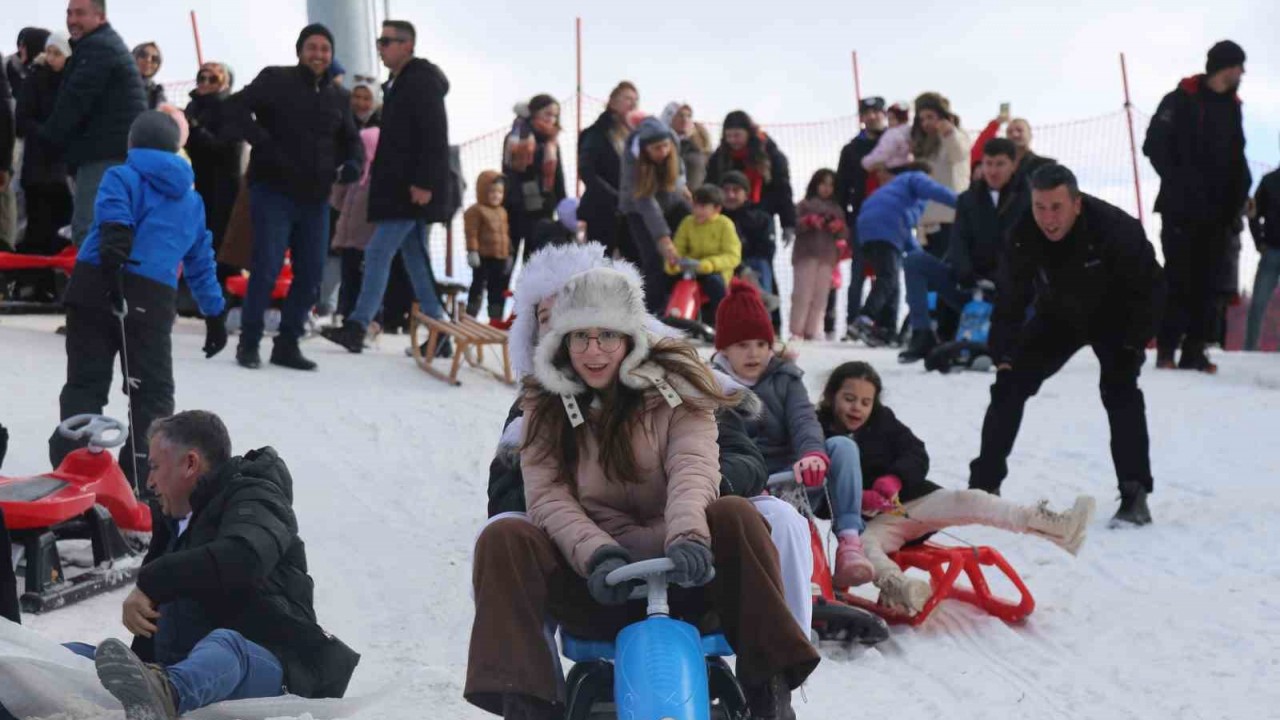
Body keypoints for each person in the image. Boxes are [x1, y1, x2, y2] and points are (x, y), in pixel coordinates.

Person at [465, 266, 820, 720]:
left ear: (632, 337)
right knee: (504, 537)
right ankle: (530, 706)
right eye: (580, 337)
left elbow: (694, 466)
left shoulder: (680, 389)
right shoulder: (544, 404)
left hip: (692, 576)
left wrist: (690, 536)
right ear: (562, 342)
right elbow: (547, 495)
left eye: (608, 335)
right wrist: (596, 555)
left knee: (737, 513)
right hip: (595, 583)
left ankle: (770, 699)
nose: (593, 351)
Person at [76, 410, 360, 718]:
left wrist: (152, 581)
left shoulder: (257, 495)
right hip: (186, 672)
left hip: (274, 668)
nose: (149, 481)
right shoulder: (175, 520)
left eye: (155, 467)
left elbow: (243, 559)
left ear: (190, 464)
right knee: (67, 657)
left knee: (226, 646)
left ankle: (166, 695)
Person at [968, 164, 1163, 527]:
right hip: (1059, 316)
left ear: (1077, 204)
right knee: (1009, 386)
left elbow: (1149, 288)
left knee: (1119, 390)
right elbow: (1011, 298)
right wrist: (1004, 352)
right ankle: (983, 489)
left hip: (1116, 318)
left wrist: (1135, 341)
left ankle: (1135, 494)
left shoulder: (1115, 228)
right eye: (1040, 207)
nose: (1048, 218)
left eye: (1056, 207)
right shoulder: (1023, 231)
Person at [818, 361, 1096, 613]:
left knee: (970, 499)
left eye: (866, 402)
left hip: (914, 501)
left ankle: (1051, 524)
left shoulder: (883, 421)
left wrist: (896, 478)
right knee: (866, 546)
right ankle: (898, 585)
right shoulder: (818, 432)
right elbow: (818, 491)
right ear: (832, 397)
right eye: (849, 399)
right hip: (871, 523)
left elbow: (916, 452)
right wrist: (856, 499)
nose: (857, 408)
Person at [47, 111, 226, 492]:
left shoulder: (121, 176)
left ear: (133, 144)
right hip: (152, 297)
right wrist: (214, 313)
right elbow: (200, 261)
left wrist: (113, 269)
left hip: (96, 283)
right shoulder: (192, 201)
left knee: (85, 382)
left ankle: (72, 468)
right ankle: (145, 481)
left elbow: (114, 222)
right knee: (151, 391)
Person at [713, 280, 874, 588]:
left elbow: (804, 420)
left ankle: (849, 544)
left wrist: (811, 455)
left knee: (842, 446)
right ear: (724, 349)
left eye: (761, 344)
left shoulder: (785, 379)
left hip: (793, 479)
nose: (754, 353)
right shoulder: (715, 388)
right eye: (743, 345)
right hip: (746, 490)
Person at [224, 23, 362, 370]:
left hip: (316, 198)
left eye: (325, 49)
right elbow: (237, 108)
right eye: (312, 47)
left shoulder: (338, 98)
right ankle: (249, 343)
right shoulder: (275, 79)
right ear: (300, 51)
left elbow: (352, 141)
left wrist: (354, 164)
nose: (318, 54)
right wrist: (264, 144)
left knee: (311, 274)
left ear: (332, 55)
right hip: (272, 191)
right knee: (267, 268)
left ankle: (287, 344)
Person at [319, 20, 450, 358]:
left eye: (388, 41)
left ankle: (358, 326)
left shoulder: (420, 81)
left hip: (410, 191)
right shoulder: (400, 82)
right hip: (399, 190)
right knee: (414, 261)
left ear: (408, 45)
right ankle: (441, 333)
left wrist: (424, 182)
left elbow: (434, 134)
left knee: (378, 253)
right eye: (379, 40)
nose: (380, 46)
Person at [1143, 40, 1250, 373]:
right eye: (1239, 66)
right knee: (1179, 278)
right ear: (1225, 67)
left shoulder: (1232, 107)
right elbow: (1154, 145)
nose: (1242, 73)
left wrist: (1240, 196)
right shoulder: (1179, 100)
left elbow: (1237, 156)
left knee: (1209, 284)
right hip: (1181, 210)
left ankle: (1195, 351)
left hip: (1219, 215)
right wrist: (1180, 184)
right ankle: (1165, 351)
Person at [899, 138, 1027, 362]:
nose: (993, 171)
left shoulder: (1029, 199)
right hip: (969, 286)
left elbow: (1028, 249)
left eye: (1000, 164)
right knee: (915, 261)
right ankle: (922, 334)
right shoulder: (968, 200)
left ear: (1014, 165)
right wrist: (965, 274)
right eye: (988, 164)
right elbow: (958, 242)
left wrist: (1004, 279)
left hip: (1012, 292)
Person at [39, 0, 146, 248]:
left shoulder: (98, 47)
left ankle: (96, 287)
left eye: (80, 13)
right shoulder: (99, 45)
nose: (72, 20)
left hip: (104, 155)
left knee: (89, 231)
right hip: (113, 152)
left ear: (100, 17)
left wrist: (47, 140)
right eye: (69, 13)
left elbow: (75, 100)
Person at [705, 110, 795, 330]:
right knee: (731, 267)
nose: (734, 141)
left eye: (738, 135)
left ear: (748, 133)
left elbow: (783, 189)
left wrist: (788, 222)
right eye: (729, 136)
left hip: (759, 220)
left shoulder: (769, 154)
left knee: (761, 266)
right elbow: (710, 186)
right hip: (725, 219)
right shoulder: (720, 157)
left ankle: (769, 324)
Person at [849, 163, 958, 346]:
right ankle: (865, 318)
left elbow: (905, 232)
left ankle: (886, 329)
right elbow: (933, 190)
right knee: (888, 277)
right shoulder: (914, 178)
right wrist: (962, 201)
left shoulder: (896, 193)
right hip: (885, 230)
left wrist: (922, 260)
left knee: (891, 281)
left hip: (868, 232)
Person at [618, 115, 690, 314]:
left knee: (682, 247)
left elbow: (680, 171)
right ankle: (653, 310)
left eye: (665, 146)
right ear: (644, 149)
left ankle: (678, 305)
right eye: (656, 148)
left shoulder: (672, 141)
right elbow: (645, 201)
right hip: (637, 208)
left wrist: (682, 187)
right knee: (653, 257)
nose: (663, 152)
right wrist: (663, 238)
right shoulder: (632, 158)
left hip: (669, 201)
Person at [14, 32, 72, 267]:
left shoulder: (73, 82)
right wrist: (47, 132)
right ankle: (33, 283)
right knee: (37, 225)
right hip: (38, 168)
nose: (51, 57)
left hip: (63, 169)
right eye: (49, 52)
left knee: (61, 227)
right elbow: (22, 119)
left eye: (57, 53)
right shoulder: (35, 78)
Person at [183, 61, 241, 283]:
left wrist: (196, 129)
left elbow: (224, 148)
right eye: (201, 78)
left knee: (221, 237)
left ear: (225, 83)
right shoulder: (193, 107)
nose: (205, 83)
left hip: (224, 183)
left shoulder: (233, 108)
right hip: (199, 179)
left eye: (213, 79)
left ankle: (225, 287)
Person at [836, 97, 890, 336]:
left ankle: (885, 325)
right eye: (867, 112)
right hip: (860, 216)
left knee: (888, 272)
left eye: (876, 112)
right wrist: (846, 219)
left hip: (891, 216)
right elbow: (841, 187)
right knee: (858, 271)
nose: (872, 116)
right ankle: (852, 323)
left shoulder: (895, 142)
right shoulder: (851, 149)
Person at [327, 126, 380, 327]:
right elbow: (336, 200)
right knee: (348, 279)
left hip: (365, 240)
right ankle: (346, 314)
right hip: (348, 238)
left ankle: (367, 319)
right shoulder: (355, 174)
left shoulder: (376, 180)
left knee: (361, 280)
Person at [578, 81, 637, 259]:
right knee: (600, 267)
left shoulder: (637, 136)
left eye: (636, 100)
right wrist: (615, 197)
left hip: (631, 213)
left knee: (635, 266)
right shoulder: (595, 134)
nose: (633, 104)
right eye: (627, 98)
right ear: (612, 103)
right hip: (602, 211)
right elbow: (587, 172)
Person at [504, 94, 566, 262]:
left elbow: (558, 176)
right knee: (509, 256)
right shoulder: (516, 137)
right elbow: (510, 173)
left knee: (535, 260)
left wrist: (563, 204)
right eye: (547, 114)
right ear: (535, 113)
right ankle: (501, 289)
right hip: (518, 208)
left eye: (555, 115)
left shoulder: (552, 142)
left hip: (544, 209)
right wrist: (518, 201)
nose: (552, 119)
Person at [910, 92, 971, 259]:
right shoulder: (922, 147)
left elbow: (958, 154)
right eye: (922, 119)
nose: (926, 123)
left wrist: (949, 133)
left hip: (950, 221)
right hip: (926, 224)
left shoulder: (956, 136)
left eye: (930, 117)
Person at [666, 184, 739, 322]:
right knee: (661, 279)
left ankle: (723, 320)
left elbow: (733, 255)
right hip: (689, 269)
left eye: (703, 207)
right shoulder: (687, 223)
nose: (697, 211)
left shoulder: (725, 224)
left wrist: (709, 264)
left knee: (714, 284)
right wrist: (673, 263)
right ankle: (664, 314)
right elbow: (678, 248)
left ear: (717, 208)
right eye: (695, 206)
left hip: (715, 271)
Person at [790, 168, 848, 340]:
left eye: (831, 185)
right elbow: (793, 224)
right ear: (815, 184)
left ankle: (812, 329)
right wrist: (808, 221)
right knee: (802, 293)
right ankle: (796, 330)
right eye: (823, 183)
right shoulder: (804, 205)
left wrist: (838, 227)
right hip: (805, 255)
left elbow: (845, 234)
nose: (826, 188)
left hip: (828, 258)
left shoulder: (837, 210)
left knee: (821, 296)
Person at [464, 171, 511, 322]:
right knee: (478, 287)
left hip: (499, 258)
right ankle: (470, 316)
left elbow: (505, 234)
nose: (496, 195)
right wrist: (472, 251)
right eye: (492, 192)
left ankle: (495, 318)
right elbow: (471, 232)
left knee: (497, 290)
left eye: (499, 192)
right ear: (482, 191)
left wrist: (508, 253)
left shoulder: (502, 212)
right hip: (483, 258)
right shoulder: (476, 211)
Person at [1246, 167, 1280, 351]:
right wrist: (1259, 242)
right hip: (1272, 250)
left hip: (1271, 250)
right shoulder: (1269, 181)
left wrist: (1259, 242)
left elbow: (1253, 214)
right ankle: (1250, 349)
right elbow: (1253, 214)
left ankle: (1250, 349)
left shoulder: (1269, 181)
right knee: (1258, 304)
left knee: (1258, 304)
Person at [661, 101, 713, 190]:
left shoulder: (699, 145)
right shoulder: (661, 144)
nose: (685, 119)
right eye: (680, 115)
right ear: (670, 117)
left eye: (688, 116)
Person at [860, 102, 912, 173]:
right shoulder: (910, 131)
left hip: (893, 170)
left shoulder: (893, 134)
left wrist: (866, 162)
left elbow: (883, 152)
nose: (889, 122)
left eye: (891, 118)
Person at [1005, 117, 1055, 189]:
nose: (1014, 135)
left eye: (1019, 130)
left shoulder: (1046, 165)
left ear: (1030, 135)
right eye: (1009, 132)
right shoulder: (999, 168)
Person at [131, 42, 166, 110]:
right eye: (143, 55)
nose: (148, 60)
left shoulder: (156, 93)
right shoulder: (117, 84)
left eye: (155, 59)